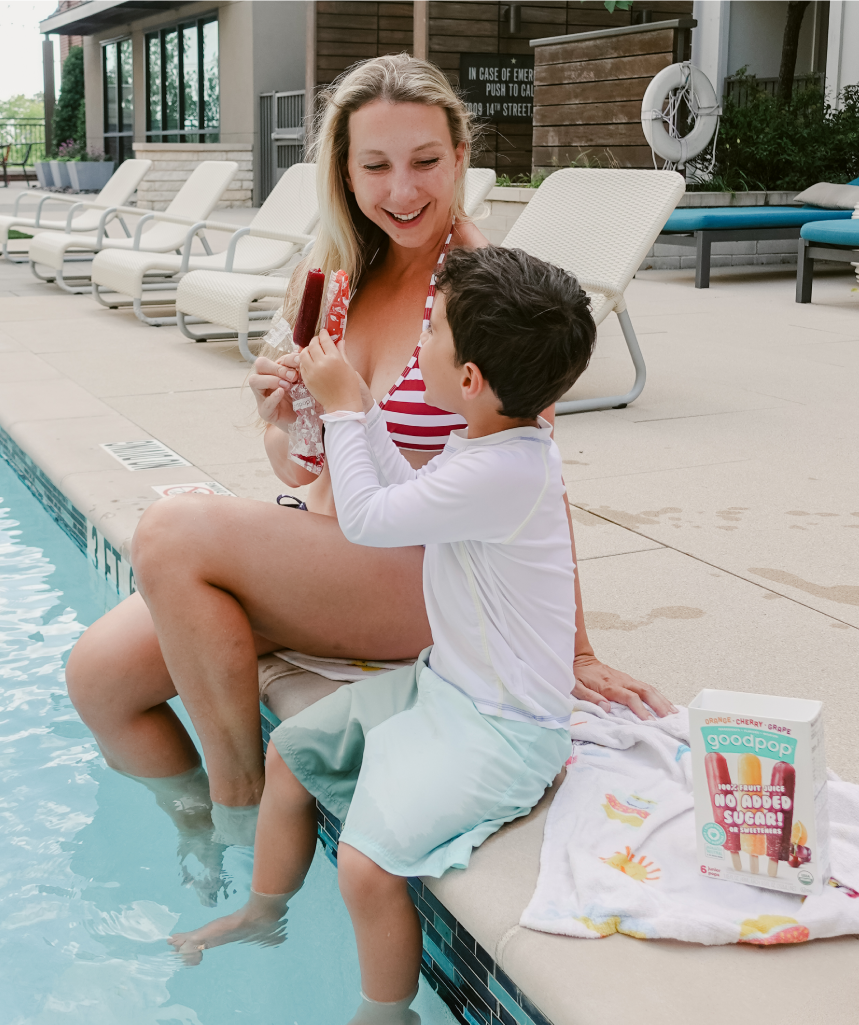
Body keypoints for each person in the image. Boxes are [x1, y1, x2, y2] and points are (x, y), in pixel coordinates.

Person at [65, 54, 673, 857]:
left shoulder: (484, 295)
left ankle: (238, 806)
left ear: (460, 156)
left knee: (172, 533)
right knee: (99, 680)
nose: (403, 191)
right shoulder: (333, 277)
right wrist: (278, 415)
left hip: (420, 569)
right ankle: (188, 823)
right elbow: (299, 468)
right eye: (375, 166)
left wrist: (576, 649)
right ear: (344, 172)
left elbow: (533, 475)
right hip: (327, 551)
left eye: (425, 162)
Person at [169, 246, 599, 1022]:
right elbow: (405, 493)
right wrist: (359, 409)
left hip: (506, 731)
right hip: (448, 686)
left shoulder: (510, 470)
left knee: (366, 867)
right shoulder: (489, 444)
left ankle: (383, 1012)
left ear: (468, 380)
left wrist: (339, 407)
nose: (418, 341)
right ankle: (266, 911)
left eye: (430, 329)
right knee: (292, 753)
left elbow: (366, 520)